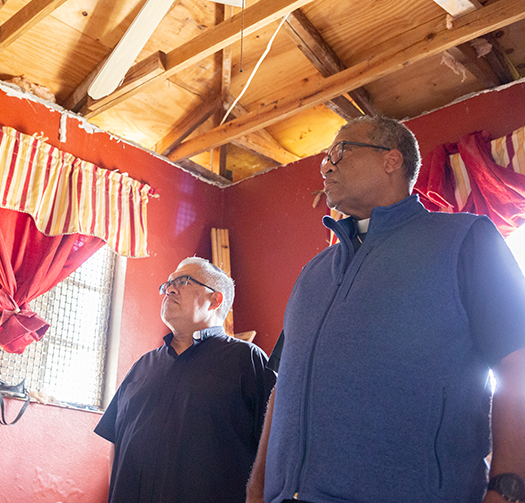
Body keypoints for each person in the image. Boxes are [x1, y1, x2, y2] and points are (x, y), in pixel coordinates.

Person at [246, 116, 525, 503]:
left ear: (392, 160)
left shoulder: (465, 240)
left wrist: (506, 489)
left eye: (339, 152)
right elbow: (285, 386)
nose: (326, 165)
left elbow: (517, 363)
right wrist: (256, 488)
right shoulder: (312, 273)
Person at [95, 257, 276, 503]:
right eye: (168, 284)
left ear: (215, 299)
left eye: (183, 281)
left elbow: (275, 445)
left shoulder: (247, 361)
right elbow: (117, 441)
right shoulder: (142, 366)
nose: (169, 289)